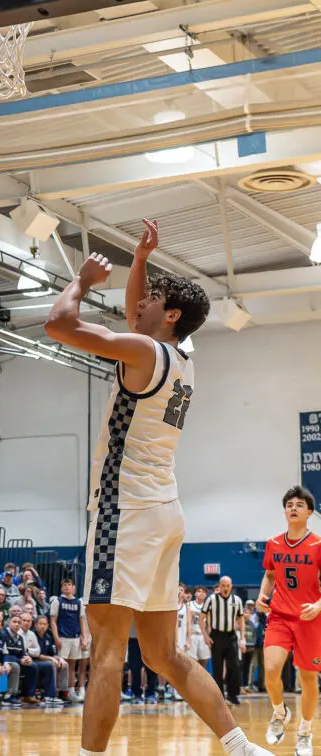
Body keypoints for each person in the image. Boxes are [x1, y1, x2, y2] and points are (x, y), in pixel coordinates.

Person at [43, 219, 267, 756]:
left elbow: (59, 323)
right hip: (166, 511)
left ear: (170, 316)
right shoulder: (183, 360)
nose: (139, 301)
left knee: (107, 653)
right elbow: (135, 322)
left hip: (126, 512)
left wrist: (81, 280)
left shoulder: (145, 355)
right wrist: (140, 262)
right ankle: (240, 746)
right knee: (164, 656)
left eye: (152, 299)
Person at [256, 487, 321, 753]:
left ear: (310, 512)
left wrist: (319, 605)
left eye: (299, 504)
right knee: (270, 670)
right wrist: (262, 595)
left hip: (309, 618)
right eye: (289, 504)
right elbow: (270, 575)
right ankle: (280, 712)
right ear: (285, 511)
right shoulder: (273, 543)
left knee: (308, 678)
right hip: (280, 616)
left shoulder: (318, 544)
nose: (293, 508)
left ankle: (305, 732)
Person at [200, 576, 245, 706]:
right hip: (216, 636)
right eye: (223, 585)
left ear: (231, 586)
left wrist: (242, 637)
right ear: (219, 586)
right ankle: (219, 696)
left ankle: (233, 694)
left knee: (234, 666)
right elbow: (201, 618)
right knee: (217, 667)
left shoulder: (236, 600)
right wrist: (206, 636)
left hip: (231, 636)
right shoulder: (211, 599)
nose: (225, 588)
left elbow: (241, 619)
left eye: (228, 585)